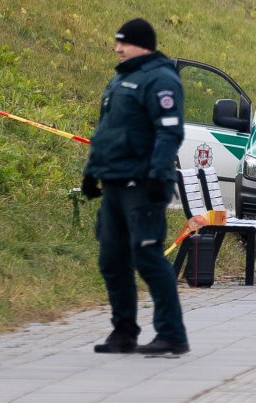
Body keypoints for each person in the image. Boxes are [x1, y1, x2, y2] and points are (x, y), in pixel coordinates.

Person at [81, 18, 189, 355]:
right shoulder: (121, 79)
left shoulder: (161, 79)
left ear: (141, 44)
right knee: (112, 260)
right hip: (113, 182)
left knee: (147, 256)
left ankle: (172, 334)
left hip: (142, 184)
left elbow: (169, 131)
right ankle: (123, 332)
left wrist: (159, 175)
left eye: (122, 42)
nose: (117, 48)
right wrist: (91, 171)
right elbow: (106, 131)